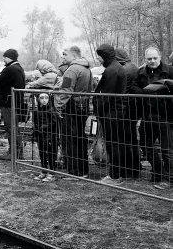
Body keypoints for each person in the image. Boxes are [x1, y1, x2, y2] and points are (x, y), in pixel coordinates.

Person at [130, 47, 173, 189]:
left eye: (155, 58)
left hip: (165, 116)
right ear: (145, 59)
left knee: (167, 149)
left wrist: (164, 91)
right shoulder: (141, 72)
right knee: (146, 146)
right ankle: (158, 172)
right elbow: (133, 87)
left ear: (160, 56)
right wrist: (144, 92)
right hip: (147, 115)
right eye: (149, 59)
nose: (152, 61)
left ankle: (169, 179)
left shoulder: (169, 70)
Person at [54, 46, 93, 177]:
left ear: (74, 56)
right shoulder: (87, 69)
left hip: (71, 109)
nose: (63, 57)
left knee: (70, 140)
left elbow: (65, 90)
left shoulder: (72, 70)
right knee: (81, 139)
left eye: (65, 54)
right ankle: (83, 170)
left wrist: (59, 107)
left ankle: (74, 172)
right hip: (83, 107)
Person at [94, 44, 130, 184]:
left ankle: (114, 176)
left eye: (99, 55)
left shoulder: (111, 70)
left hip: (111, 112)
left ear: (105, 55)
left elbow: (106, 96)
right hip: (116, 110)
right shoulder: (116, 67)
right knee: (115, 143)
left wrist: (99, 110)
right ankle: (117, 173)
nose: (98, 58)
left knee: (112, 143)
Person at [0, 49, 26, 160]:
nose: (3, 59)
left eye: (5, 57)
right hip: (15, 102)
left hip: (8, 103)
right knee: (15, 127)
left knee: (10, 128)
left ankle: (13, 153)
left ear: (10, 58)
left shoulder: (10, 69)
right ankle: (18, 151)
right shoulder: (19, 68)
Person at [32, 92, 59, 181]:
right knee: (42, 153)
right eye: (42, 98)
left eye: (46, 98)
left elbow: (54, 123)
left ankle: (52, 173)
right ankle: (44, 171)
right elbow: (35, 122)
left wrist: (45, 127)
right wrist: (35, 132)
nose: (44, 100)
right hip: (40, 136)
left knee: (51, 155)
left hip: (50, 136)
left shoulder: (51, 110)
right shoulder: (36, 111)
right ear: (38, 100)